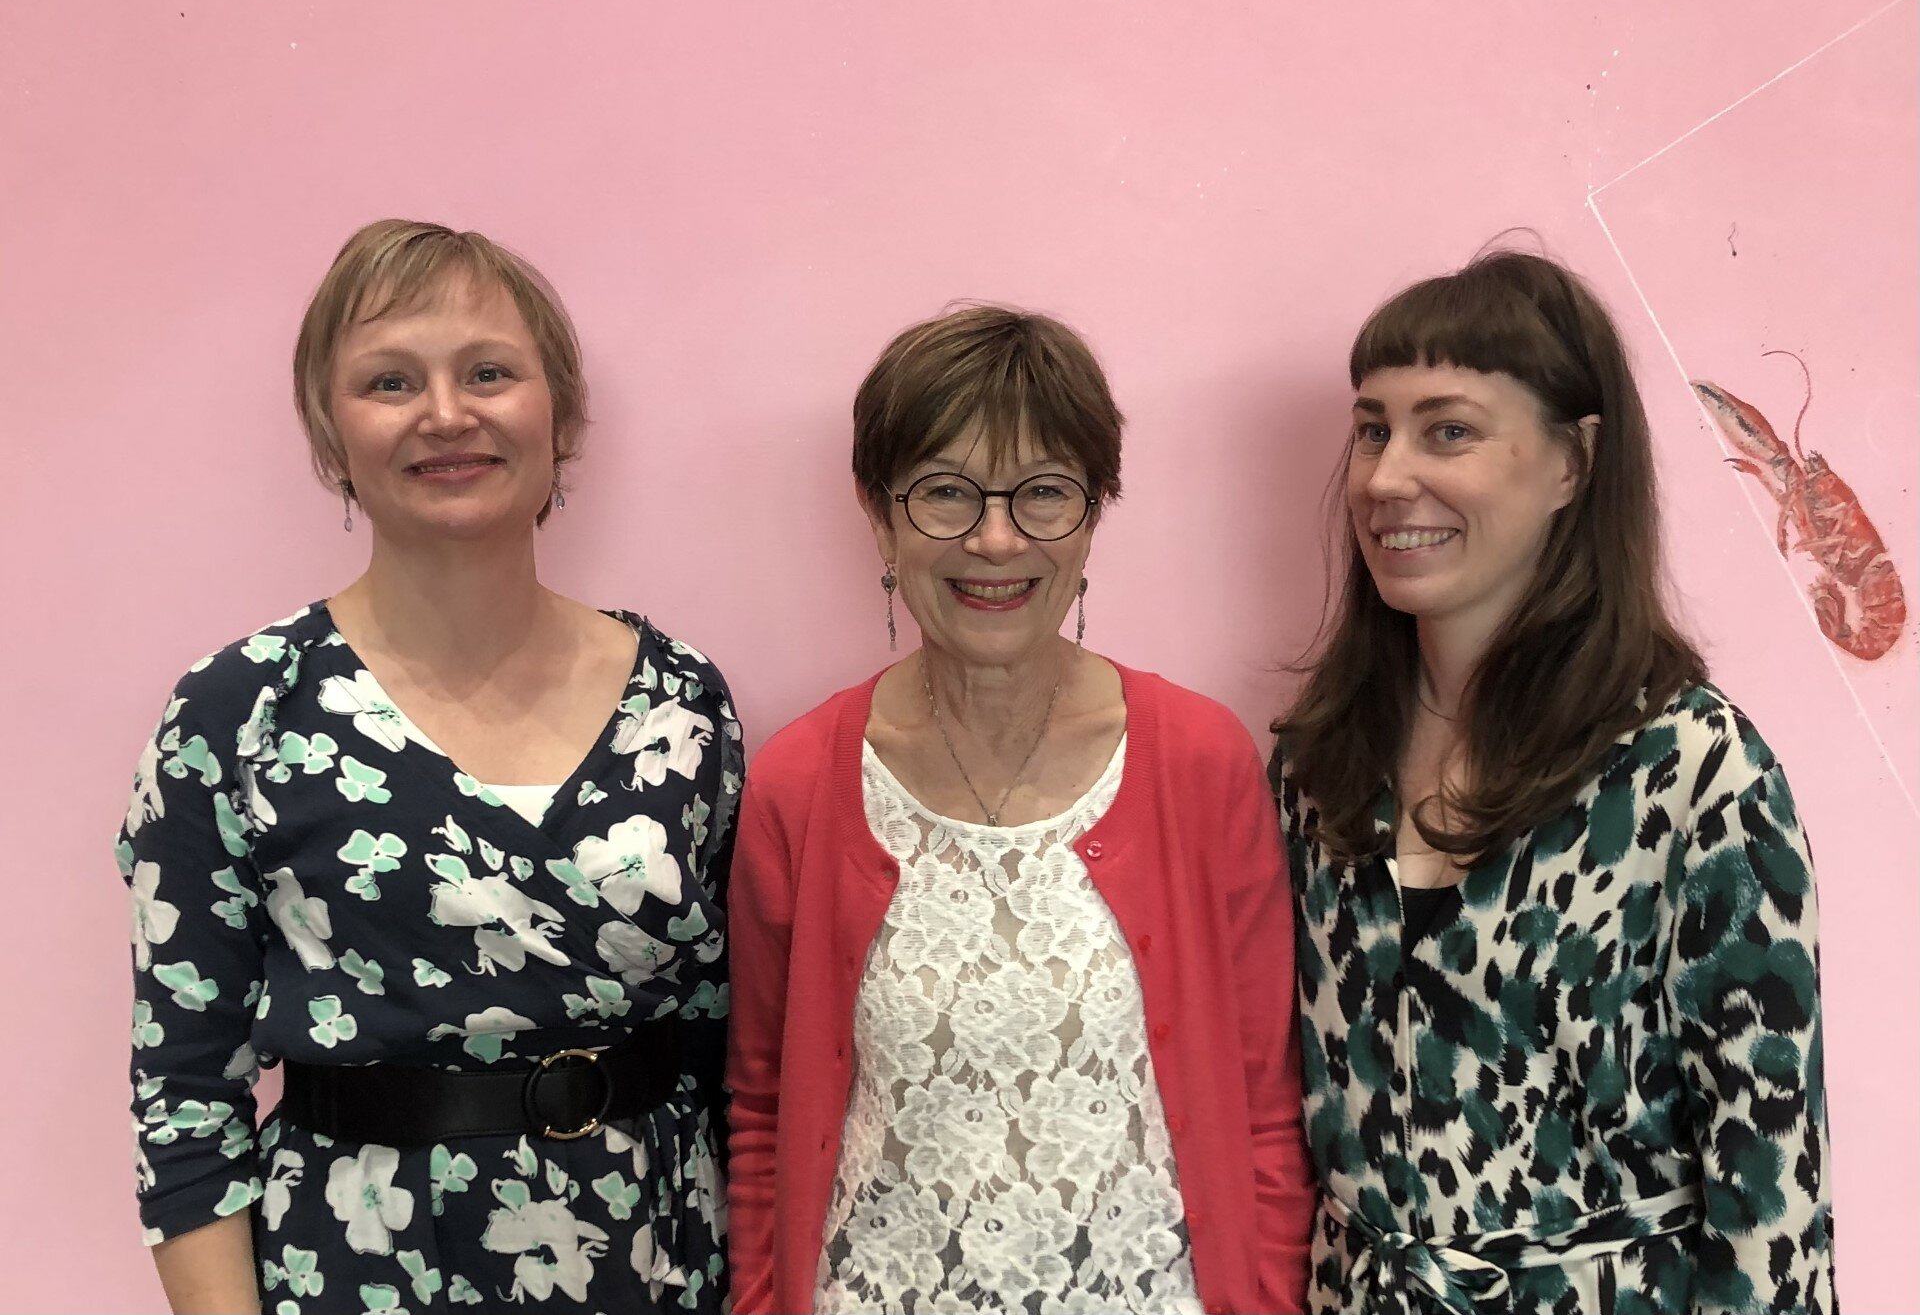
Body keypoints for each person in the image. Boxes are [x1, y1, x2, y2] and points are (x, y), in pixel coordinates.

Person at [118, 219, 739, 1312]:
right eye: (391, 380)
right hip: (360, 1275)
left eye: (489, 372)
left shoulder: (681, 703)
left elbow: (728, 1046)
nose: (447, 414)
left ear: (560, 412)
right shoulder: (239, 712)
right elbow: (184, 1095)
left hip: (657, 1267)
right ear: (330, 430)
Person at [1272, 248, 1836, 1313]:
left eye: (1449, 429)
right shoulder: (1317, 764)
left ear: (1574, 464)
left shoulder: (1695, 773)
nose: (1388, 477)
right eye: (1372, 428)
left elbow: (1773, 1191)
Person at [725, 304, 1317, 1315]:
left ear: (1094, 512)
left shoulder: (1200, 760)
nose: (995, 539)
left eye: (1044, 492)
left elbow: (1265, 1110)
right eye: (946, 493)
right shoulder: (801, 784)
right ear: (879, 512)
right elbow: (760, 1116)